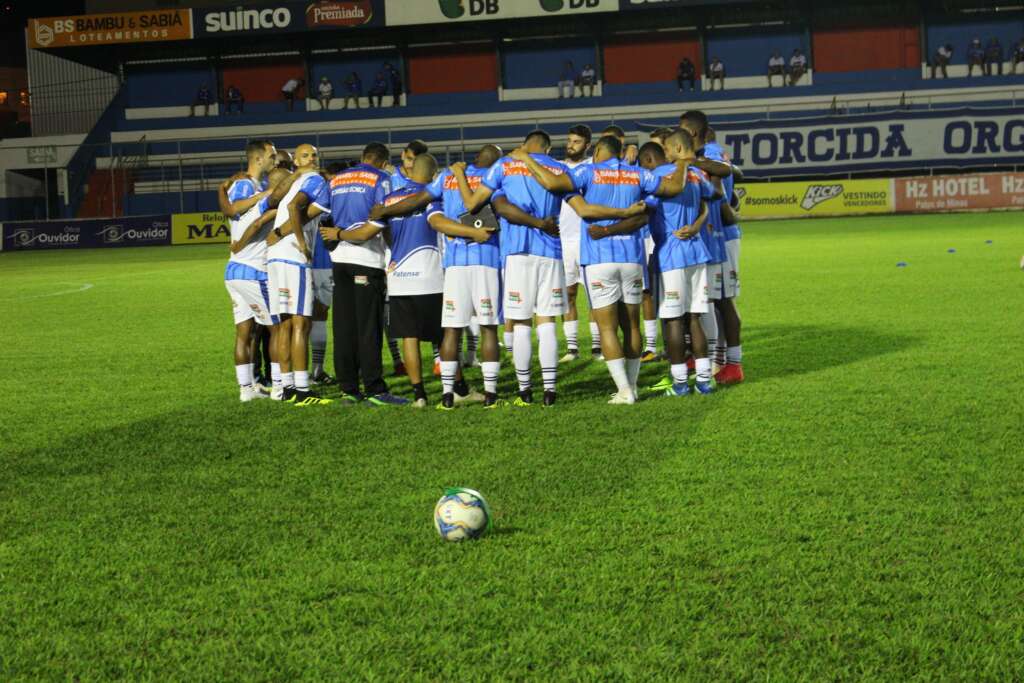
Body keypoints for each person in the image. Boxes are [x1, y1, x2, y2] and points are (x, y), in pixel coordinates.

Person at [512, 135, 690, 404]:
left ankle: (624, 390)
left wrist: (526, 159)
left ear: (596, 152)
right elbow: (675, 187)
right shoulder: (638, 174)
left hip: (598, 258)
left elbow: (551, 182)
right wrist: (686, 163)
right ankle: (632, 385)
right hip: (631, 256)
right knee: (631, 324)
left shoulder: (588, 171)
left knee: (607, 329)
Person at [452, 130, 569, 406]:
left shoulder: (503, 166)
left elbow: (472, 204)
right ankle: (550, 392)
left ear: (524, 145)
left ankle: (524, 391)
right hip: (550, 250)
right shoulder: (558, 168)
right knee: (547, 321)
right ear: (548, 149)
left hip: (517, 251)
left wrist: (458, 174)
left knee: (520, 323)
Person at [314, 143, 406, 405]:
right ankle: (376, 390)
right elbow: (379, 220)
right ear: (383, 161)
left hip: (338, 262)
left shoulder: (336, 179)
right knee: (369, 328)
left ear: (363, 157)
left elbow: (321, 214)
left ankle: (348, 389)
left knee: (344, 327)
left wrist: (334, 235)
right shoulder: (381, 179)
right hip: (366, 260)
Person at [635, 135, 716, 396]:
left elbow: (644, 210)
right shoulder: (696, 174)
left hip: (671, 255)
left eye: (669, 148)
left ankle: (680, 383)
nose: (667, 152)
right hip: (697, 252)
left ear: (677, 149)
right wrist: (697, 225)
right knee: (694, 318)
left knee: (672, 320)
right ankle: (704, 381)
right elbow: (709, 201)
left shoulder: (660, 176)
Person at [266, 143, 334, 406]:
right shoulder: (316, 180)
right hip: (293, 257)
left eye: (315, 154)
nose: (313, 158)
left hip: (274, 257)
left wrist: (279, 234)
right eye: (307, 155)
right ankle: (303, 391)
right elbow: (297, 210)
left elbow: (282, 204)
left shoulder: (293, 183)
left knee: (284, 324)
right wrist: (302, 244)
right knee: (301, 323)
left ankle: (286, 386)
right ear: (296, 160)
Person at [680, 111, 744, 386]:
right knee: (711, 301)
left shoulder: (710, 158)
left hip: (720, 235)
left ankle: (730, 362)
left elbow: (722, 193)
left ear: (692, 133)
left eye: (680, 129)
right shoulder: (714, 156)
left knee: (721, 301)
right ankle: (711, 357)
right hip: (716, 234)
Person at [221, 140, 279, 401]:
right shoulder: (245, 184)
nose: (274, 159)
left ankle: (247, 389)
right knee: (276, 328)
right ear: (258, 159)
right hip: (253, 269)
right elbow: (233, 210)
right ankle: (280, 386)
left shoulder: (258, 186)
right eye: (271, 155)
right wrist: (261, 196)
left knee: (247, 331)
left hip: (235, 269)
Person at [557, 124, 593, 363]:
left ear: (587, 145)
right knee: (568, 293)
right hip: (563, 240)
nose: (571, 145)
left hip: (588, 238)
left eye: (576, 142)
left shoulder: (593, 168)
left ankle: (598, 347)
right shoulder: (557, 169)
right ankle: (572, 349)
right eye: (569, 141)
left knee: (595, 295)